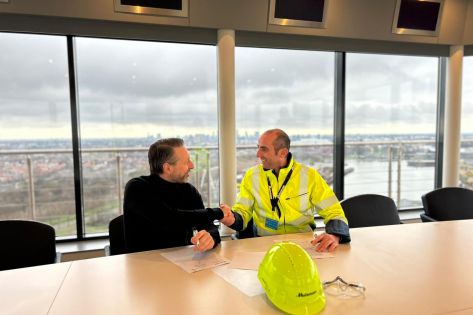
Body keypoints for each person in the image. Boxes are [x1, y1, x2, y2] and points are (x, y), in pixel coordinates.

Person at [220, 129, 350, 252]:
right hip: (264, 243)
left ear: (282, 153)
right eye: (258, 147)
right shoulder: (251, 176)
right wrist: (231, 218)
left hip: (304, 245)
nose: (258, 154)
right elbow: (242, 212)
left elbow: (334, 212)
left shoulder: (310, 176)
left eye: (263, 149)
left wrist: (334, 235)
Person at [123, 138, 227, 253]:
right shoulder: (137, 188)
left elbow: (208, 226)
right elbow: (168, 219)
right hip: (142, 264)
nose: (192, 166)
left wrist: (211, 237)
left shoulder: (189, 191)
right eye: (187, 162)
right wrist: (218, 212)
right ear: (168, 168)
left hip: (182, 262)